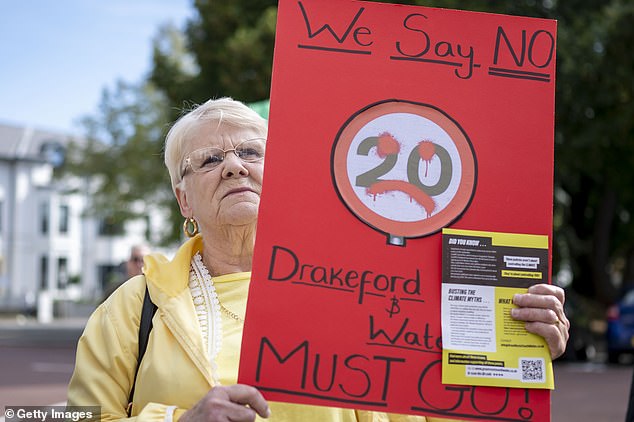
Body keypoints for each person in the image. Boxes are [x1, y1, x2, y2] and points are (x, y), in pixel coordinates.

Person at [67, 97, 570, 421]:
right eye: (210, 160)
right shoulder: (132, 309)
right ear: (184, 201)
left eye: (250, 152)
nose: (234, 167)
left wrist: (511, 351)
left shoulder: (363, 285)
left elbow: (432, 410)